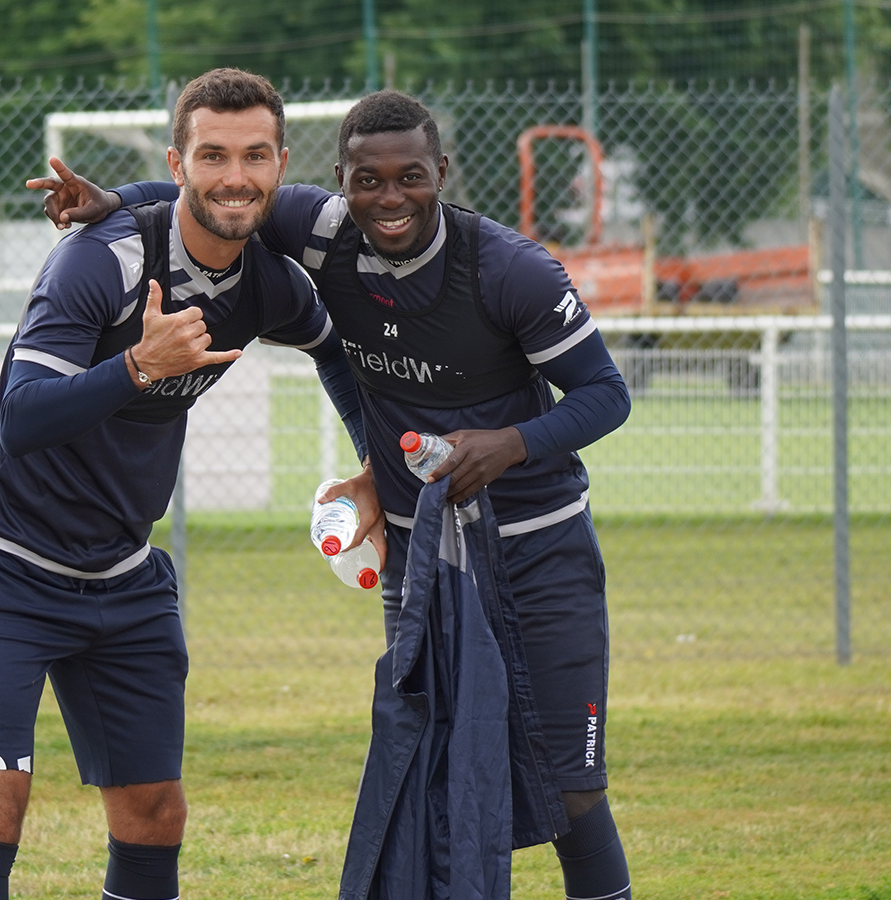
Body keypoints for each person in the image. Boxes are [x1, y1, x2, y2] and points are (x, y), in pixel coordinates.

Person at [31, 88, 634, 900]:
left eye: (410, 177)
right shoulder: (318, 230)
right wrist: (113, 201)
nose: (389, 198)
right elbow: (215, 199)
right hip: (423, 559)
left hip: (539, 550)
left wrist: (512, 443)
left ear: (441, 174)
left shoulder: (510, 269)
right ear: (339, 182)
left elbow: (606, 394)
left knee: (570, 788)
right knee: (423, 771)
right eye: (367, 181)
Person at [0, 68, 363, 900]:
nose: (234, 176)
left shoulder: (269, 281)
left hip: (122, 578)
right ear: (178, 162)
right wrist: (136, 365)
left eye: (255, 156)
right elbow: (21, 419)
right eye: (213, 155)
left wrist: (375, 463)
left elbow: (336, 352)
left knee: (155, 811)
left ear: (279, 165)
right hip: (2, 565)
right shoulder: (99, 258)